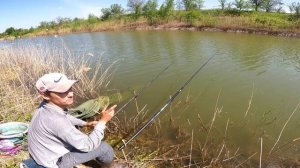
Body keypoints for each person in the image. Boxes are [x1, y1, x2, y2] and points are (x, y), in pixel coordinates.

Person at [27, 72, 117, 168]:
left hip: (41, 154)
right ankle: (109, 166)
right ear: (45, 95)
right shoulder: (57, 121)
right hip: (52, 163)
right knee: (104, 148)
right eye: (62, 92)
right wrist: (103, 121)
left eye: (70, 88)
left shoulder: (45, 106)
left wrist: (86, 123)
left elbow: (66, 116)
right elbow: (88, 145)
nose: (71, 94)